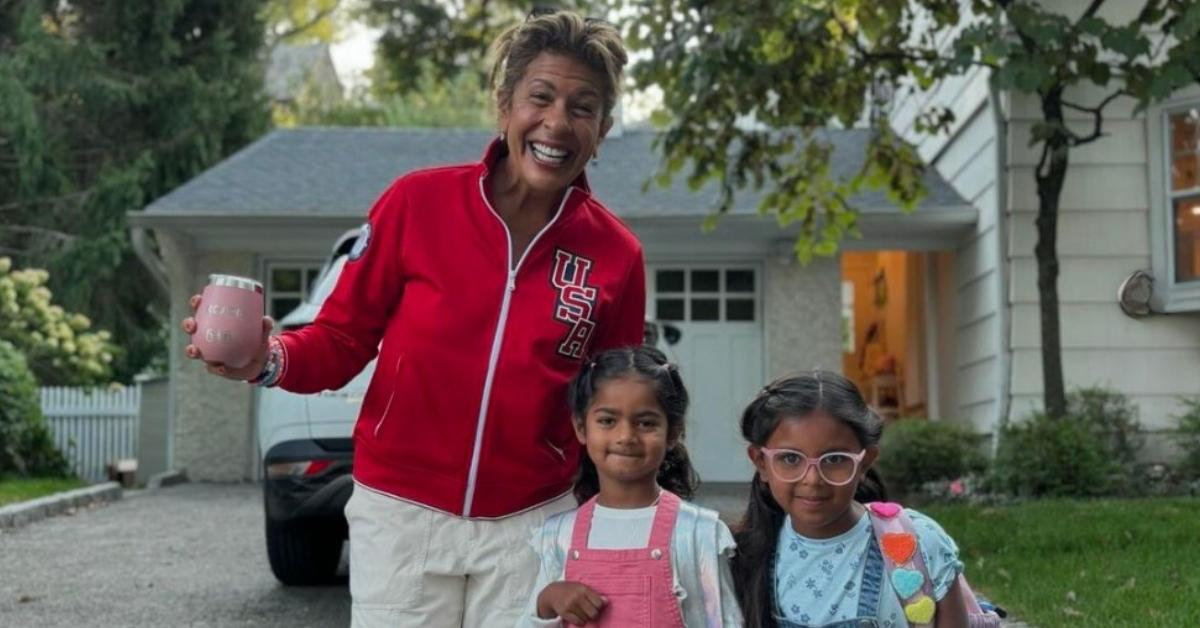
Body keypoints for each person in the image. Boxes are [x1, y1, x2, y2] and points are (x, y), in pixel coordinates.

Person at [182, 11, 644, 628]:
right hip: (400, 515)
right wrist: (265, 360)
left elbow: (615, 403)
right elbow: (342, 339)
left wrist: (617, 522)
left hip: (535, 521)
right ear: (505, 105)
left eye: (582, 107)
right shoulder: (417, 204)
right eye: (541, 96)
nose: (557, 122)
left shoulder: (616, 255)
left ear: (603, 129)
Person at [519, 346, 743, 627]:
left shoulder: (698, 533)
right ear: (581, 427)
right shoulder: (558, 536)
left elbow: (724, 621)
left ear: (673, 432)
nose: (626, 436)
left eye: (645, 423)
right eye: (607, 421)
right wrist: (547, 601)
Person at [732, 372, 970, 628]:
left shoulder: (920, 543)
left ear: (865, 462)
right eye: (790, 458)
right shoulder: (744, 558)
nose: (812, 479)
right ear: (761, 463)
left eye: (834, 459)